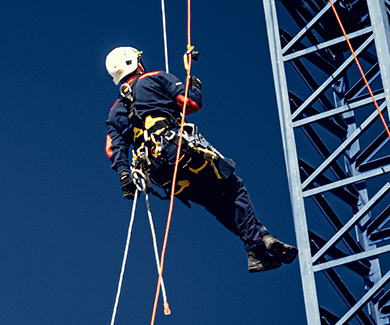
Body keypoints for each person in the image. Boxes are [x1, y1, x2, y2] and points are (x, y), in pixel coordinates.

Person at [102, 46, 294, 272]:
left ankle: (262, 240)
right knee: (234, 187)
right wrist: (193, 84)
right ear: (134, 62)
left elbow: (113, 148)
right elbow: (191, 103)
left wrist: (125, 176)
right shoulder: (154, 78)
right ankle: (255, 246)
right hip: (176, 149)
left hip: (159, 174)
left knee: (215, 202)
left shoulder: (115, 111)